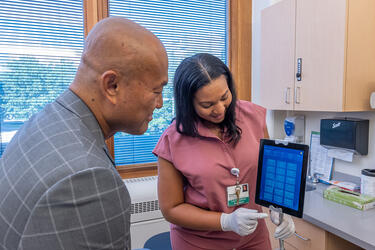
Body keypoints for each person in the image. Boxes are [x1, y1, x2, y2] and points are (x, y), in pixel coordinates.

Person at [0, 16, 168, 250]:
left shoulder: (42, 122)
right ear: (112, 86)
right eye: (156, 90)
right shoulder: (89, 180)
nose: (160, 103)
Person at [153, 53, 294, 250]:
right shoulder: (172, 140)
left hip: (252, 237)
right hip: (199, 242)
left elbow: (269, 172)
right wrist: (226, 221)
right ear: (188, 103)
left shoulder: (253, 116)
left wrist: (280, 209)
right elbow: (172, 209)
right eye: (207, 104)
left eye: (224, 97)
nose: (220, 109)